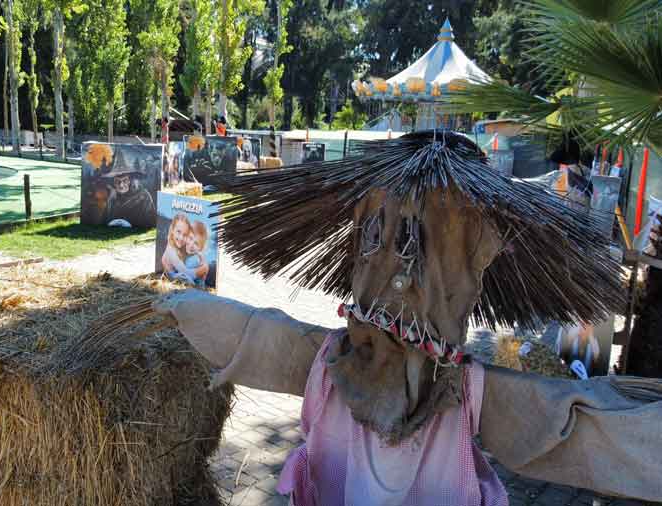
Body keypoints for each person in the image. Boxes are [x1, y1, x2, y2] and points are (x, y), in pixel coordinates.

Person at [142, 131, 662, 505]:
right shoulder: (329, 364)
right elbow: (251, 334)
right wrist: (173, 308)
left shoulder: (466, 394)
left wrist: (178, 310)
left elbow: (576, 427)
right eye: (379, 237)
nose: (402, 275)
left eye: (429, 249)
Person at [184, 221, 209, 288]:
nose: (191, 245)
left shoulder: (194, 260)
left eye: (196, 243)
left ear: (201, 248)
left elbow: (185, 277)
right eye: (190, 238)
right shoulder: (190, 256)